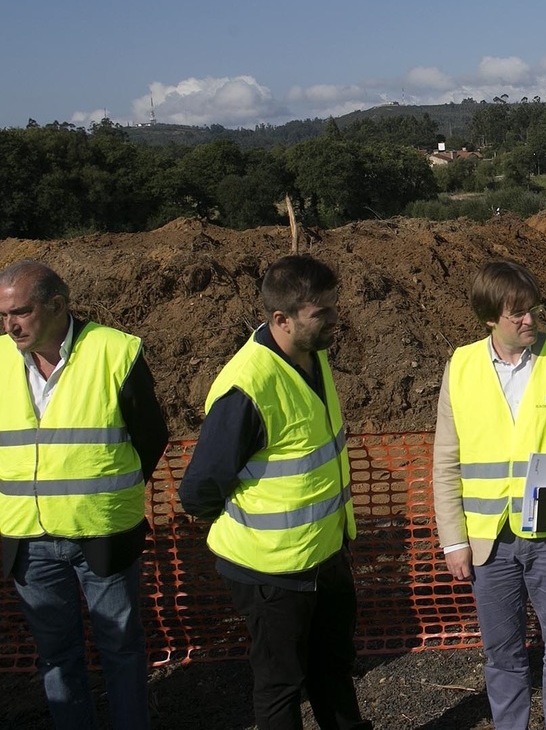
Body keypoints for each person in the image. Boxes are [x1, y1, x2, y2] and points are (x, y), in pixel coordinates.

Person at [179, 255, 370, 730]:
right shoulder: (248, 386)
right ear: (281, 320)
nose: (334, 319)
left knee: (332, 669)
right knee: (280, 684)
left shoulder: (313, 354)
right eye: (321, 312)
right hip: (270, 572)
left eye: (333, 306)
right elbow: (199, 490)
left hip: (324, 555)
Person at [432, 260, 546, 730]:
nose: (529, 320)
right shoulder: (461, 367)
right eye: (516, 313)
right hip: (488, 542)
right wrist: (454, 542)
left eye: (532, 310)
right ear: (489, 317)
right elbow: (446, 462)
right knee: (502, 654)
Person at [0, 260, 168, 730]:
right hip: (27, 540)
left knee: (121, 648)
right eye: (3, 315)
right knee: (56, 656)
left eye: (21, 312)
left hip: (103, 533)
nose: (10, 325)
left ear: (58, 305)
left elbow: (151, 438)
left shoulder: (115, 351)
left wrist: (108, 494)